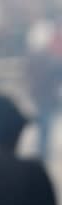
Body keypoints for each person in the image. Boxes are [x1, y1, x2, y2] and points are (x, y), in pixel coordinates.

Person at [25, 20, 62, 161]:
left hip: (43, 97)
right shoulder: (43, 59)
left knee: (44, 128)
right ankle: (42, 155)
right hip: (44, 98)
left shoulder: (37, 58)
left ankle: (42, 154)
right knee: (44, 129)